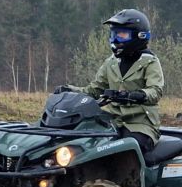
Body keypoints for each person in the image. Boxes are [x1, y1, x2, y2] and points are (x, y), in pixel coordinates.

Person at [55, 9, 164, 153]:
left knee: (128, 148)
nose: (116, 40)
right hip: (111, 121)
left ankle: (135, 175)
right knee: (87, 145)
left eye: (122, 35)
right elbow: (94, 90)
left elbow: (155, 90)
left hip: (140, 124)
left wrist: (136, 95)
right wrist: (69, 90)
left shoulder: (150, 62)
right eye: (114, 34)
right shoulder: (111, 62)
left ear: (139, 36)